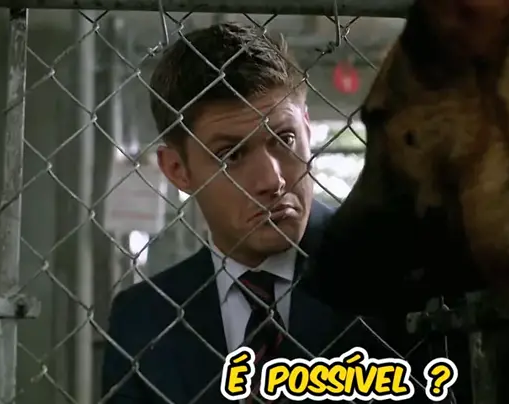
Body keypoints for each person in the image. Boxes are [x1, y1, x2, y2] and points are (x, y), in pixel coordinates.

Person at [100, 23, 391, 404]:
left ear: (307, 129)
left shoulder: (392, 271)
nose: (272, 180)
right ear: (177, 170)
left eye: (285, 139)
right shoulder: (142, 320)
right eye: (231, 155)